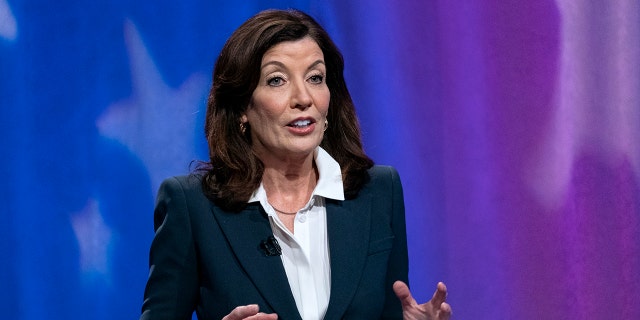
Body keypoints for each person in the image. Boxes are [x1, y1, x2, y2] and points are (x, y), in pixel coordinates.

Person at [140, 9, 451, 320]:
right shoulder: (192, 206)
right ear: (241, 108)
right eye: (277, 80)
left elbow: (389, 310)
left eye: (315, 78)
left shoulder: (379, 191)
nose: (303, 98)